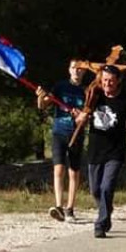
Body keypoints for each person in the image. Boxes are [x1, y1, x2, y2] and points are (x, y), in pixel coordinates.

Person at [80, 65, 126, 238]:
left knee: (106, 187)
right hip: (95, 151)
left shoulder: (125, 99)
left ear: (118, 81)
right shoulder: (94, 95)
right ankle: (106, 210)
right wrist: (82, 117)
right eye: (105, 80)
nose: (107, 83)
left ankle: (101, 223)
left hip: (115, 151)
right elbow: (82, 116)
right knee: (95, 190)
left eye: (111, 80)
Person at [36, 59, 87, 223]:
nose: (77, 71)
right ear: (69, 70)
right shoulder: (60, 86)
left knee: (74, 172)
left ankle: (70, 208)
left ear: (84, 72)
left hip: (76, 134)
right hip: (59, 132)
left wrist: (82, 116)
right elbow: (43, 105)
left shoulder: (87, 91)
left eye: (80, 69)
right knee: (58, 169)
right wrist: (40, 97)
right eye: (74, 68)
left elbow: (89, 114)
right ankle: (58, 206)